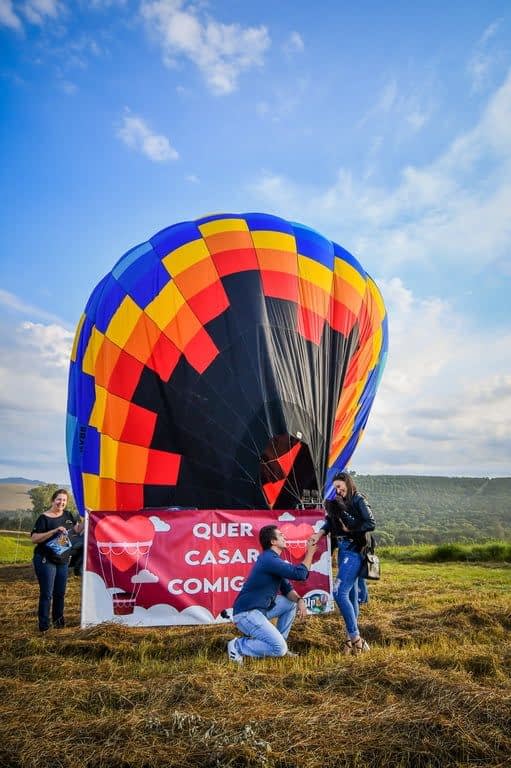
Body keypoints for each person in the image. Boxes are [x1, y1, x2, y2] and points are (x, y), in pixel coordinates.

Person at [227, 525, 317, 664]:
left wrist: (299, 600)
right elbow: (300, 574)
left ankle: (280, 642)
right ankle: (238, 645)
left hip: (258, 611)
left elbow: (287, 589)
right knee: (278, 648)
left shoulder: (273, 560)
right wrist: (310, 553)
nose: (284, 537)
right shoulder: (269, 559)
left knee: (290, 603)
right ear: (273, 542)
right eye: (281, 535)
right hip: (246, 613)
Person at [311, 472, 375, 654]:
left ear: (347, 483)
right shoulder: (336, 503)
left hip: (354, 550)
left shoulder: (358, 499)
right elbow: (329, 522)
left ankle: (356, 638)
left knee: (339, 592)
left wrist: (351, 528)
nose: (338, 490)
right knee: (352, 596)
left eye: (340, 486)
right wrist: (320, 533)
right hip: (342, 550)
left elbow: (371, 523)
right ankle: (349, 641)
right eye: (336, 488)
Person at [30, 489, 83, 632]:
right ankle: (44, 627)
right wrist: (53, 531)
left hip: (63, 561)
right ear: (53, 500)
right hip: (45, 560)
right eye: (59, 499)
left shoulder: (68, 515)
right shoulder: (44, 517)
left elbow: (77, 530)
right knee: (47, 594)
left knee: (60, 593)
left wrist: (89, 517)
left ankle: (59, 624)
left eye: (64, 500)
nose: (61, 502)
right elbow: (34, 538)